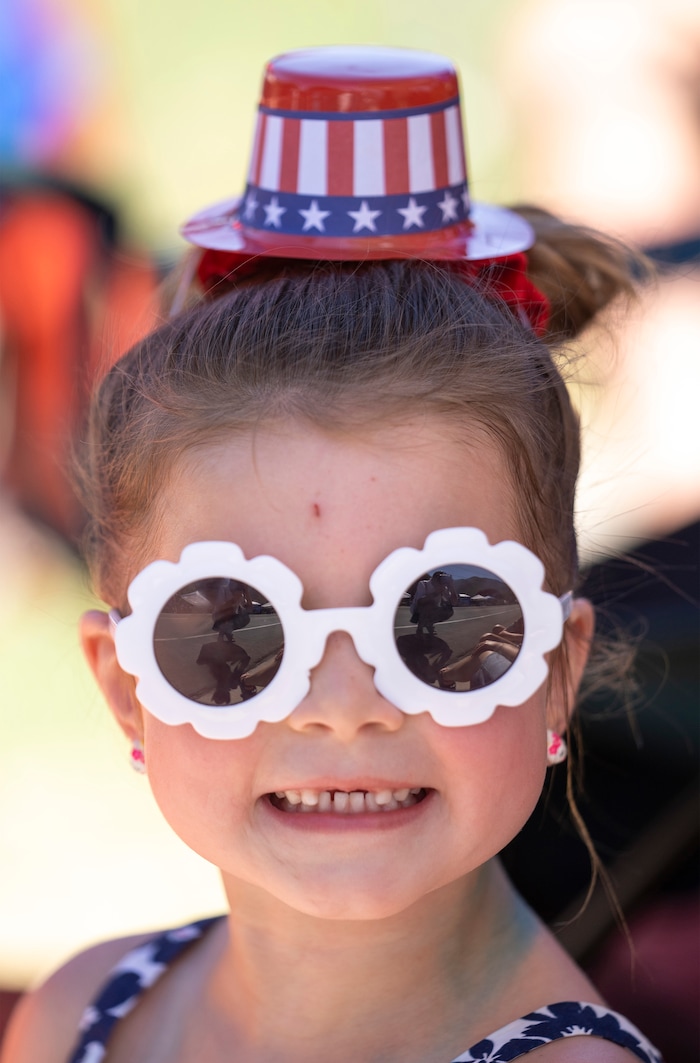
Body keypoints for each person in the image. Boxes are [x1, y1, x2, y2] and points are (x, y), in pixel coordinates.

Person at [0, 46, 664, 1063]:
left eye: (443, 620)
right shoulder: (81, 1015)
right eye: (232, 626)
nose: (342, 702)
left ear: (558, 670)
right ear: (126, 688)